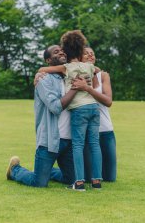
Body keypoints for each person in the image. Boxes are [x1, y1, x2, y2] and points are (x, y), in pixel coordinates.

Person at [6, 45, 86, 187]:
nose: (61, 52)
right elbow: (55, 107)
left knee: (72, 179)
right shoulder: (44, 80)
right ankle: (15, 170)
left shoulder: (70, 77)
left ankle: (46, 171)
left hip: (69, 141)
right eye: (56, 52)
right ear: (48, 60)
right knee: (39, 183)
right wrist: (75, 88)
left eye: (62, 50)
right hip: (50, 140)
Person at [38, 30, 103, 191]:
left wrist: (38, 73)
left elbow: (44, 69)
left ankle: (79, 183)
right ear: (81, 49)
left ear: (66, 50)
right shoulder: (90, 66)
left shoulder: (65, 68)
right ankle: (97, 181)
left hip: (79, 110)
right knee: (95, 144)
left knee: (78, 146)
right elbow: (95, 86)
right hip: (94, 108)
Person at [79, 47, 117, 182]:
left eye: (92, 53)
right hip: (88, 133)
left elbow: (108, 101)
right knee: (89, 178)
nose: (90, 55)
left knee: (110, 178)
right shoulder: (76, 76)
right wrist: (40, 72)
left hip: (106, 131)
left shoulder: (103, 76)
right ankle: (54, 172)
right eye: (86, 53)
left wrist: (88, 89)